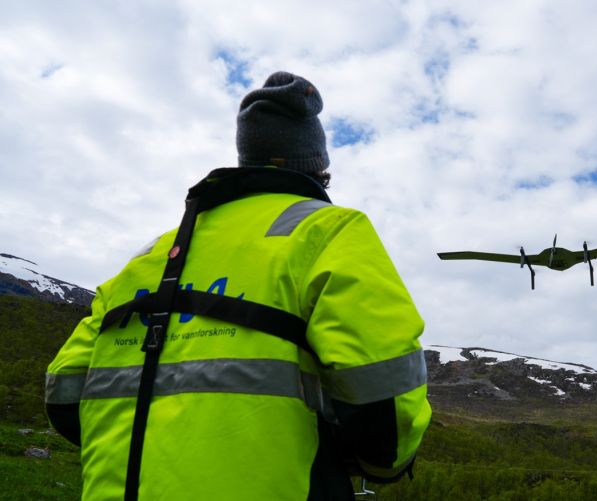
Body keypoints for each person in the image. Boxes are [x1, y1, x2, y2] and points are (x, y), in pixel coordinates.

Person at [45, 71, 432, 500]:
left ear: (245, 158)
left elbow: (63, 392)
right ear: (318, 170)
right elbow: (383, 390)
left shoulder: (153, 254)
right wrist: (382, 464)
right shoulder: (330, 230)